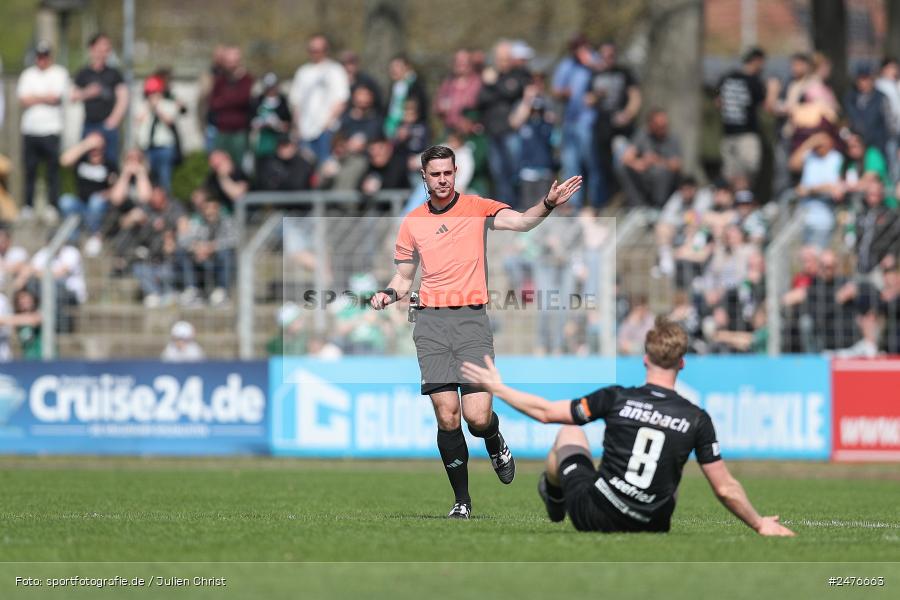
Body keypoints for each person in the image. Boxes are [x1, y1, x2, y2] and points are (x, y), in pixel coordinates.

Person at [370, 144, 582, 519]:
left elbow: (521, 222)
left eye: (447, 173)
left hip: (471, 322)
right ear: (424, 176)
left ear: (456, 173)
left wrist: (547, 203)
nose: (442, 179)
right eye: (435, 174)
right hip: (431, 323)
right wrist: (388, 293)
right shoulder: (412, 222)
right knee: (447, 415)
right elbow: (403, 278)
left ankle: (494, 439)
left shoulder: (477, 208)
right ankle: (462, 502)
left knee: (477, 417)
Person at [460, 317, 795, 536]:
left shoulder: (616, 398)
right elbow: (725, 488)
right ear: (682, 363)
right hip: (652, 524)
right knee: (671, 461)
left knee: (570, 433)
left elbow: (547, 412)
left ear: (645, 358)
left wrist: (500, 389)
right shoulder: (697, 418)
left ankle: (554, 496)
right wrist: (759, 523)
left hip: (595, 514)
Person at [17, 41, 68, 217]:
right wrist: (44, 97)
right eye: (39, 56)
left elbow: (55, 97)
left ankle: (52, 205)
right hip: (30, 130)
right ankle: (27, 206)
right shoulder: (27, 75)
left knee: (52, 171)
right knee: (30, 170)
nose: (42, 60)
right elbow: (24, 99)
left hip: (51, 130)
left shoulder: (59, 73)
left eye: (45, 56)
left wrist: (35, 97)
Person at [289, 34, 350, 164]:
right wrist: (297, 127)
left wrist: (326, 124)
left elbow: (341, 99)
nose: (314, 53)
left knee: (326, 168)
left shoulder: (335, 70)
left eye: (318, 50)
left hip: (326, 131)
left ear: (325, 50)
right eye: (311, 50)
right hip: (305, 131)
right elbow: (296, 102)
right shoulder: (303, 72)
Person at [71, 33, 128, 164]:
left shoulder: (114, 74)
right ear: (92, 49)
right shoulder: (83, 73)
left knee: (110, 163)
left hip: (108, 126)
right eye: (100, 49)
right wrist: (87, 93)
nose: (103, 53)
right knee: (85, 163)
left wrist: (114, 119)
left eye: (107, 50)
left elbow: (123, 98)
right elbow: (73, 95)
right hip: (89, 125)